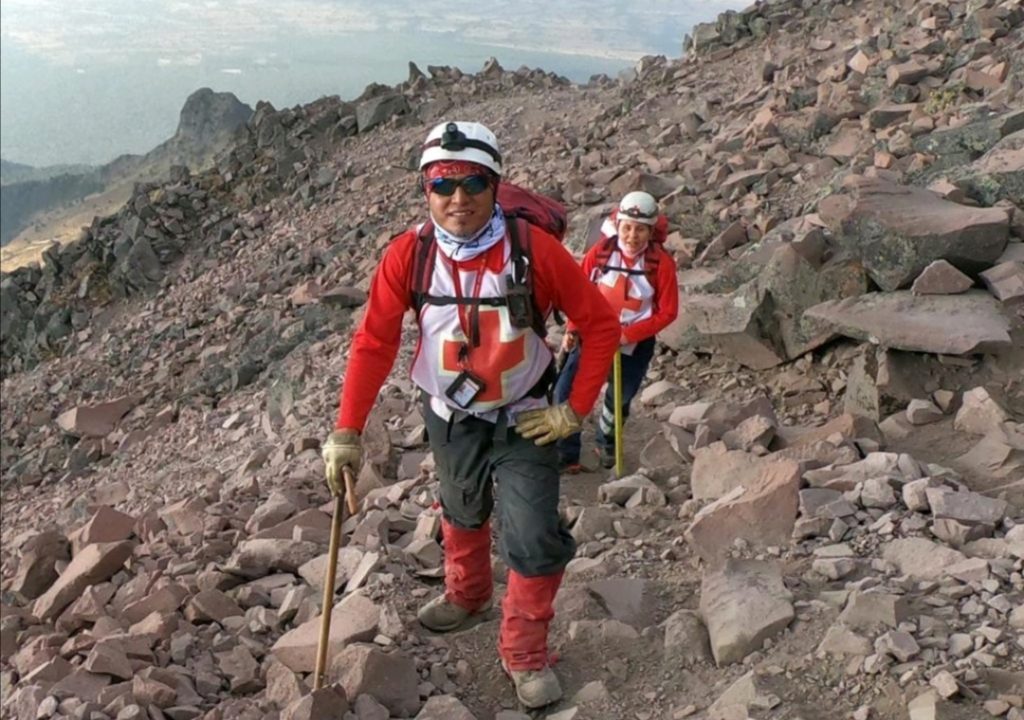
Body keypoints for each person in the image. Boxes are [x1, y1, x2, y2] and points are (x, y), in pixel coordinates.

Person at [321, 120, 620, 708]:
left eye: (473, 182)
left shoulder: (535, 251)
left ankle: (525, 651)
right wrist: (346, 430)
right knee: (461, 506)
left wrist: (572, 412)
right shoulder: (410, 254)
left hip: (526, 415)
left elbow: (601, 325)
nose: (457, 198)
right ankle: (468, 595)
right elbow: (374, 342)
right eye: (442, 184)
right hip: (451, 414)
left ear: (495, 185)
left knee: (532, 536)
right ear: (425, 189)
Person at [554, 190, 680, 472]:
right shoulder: (600, 253)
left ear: (650, 231)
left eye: (639, 229)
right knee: (566, 391)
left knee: (618, 399)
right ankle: (566, 452)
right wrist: (572, 328)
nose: (632, 235)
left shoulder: (661, 265)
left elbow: (668, 311)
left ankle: (606, 442)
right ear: (618, 225)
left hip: (634, 343)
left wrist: (629, 334)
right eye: (627, 227)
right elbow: (580, 292)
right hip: (593, 336)